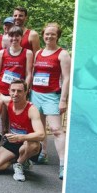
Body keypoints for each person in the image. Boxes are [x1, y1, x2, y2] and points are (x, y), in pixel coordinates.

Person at [30, 23, 70, 179]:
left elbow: (66, 78)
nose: (49, 36)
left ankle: (63, 164)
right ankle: (43, 153)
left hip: (52, 96)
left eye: (53, 34)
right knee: (39, 127)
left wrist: (63, 100)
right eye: (47, 34)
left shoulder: (62, 54)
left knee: (56, 129)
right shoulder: (39, 52)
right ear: (43, 35)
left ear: (57, 36)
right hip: (36, 94)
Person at [0, 80, 45, 182]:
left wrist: (21, 137)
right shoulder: (8, 101)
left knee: (32, 145)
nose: (15, 94)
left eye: (19, 91)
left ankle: (19, 164)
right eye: (13, 90)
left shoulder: (32, 109)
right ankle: (19, 160)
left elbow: (41, 134)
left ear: (26, 92)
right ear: (8, 91)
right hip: (13, 142)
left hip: (28, 142)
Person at [0, 27, 34, 97]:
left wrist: (25, 91)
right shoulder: (2, 52)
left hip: (17, 91)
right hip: (1, 89)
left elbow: (28, 74)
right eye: (12, 36)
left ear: (22, 37)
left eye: (17, 36)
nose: (14, 38)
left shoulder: (28, 53)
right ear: (8, 37)